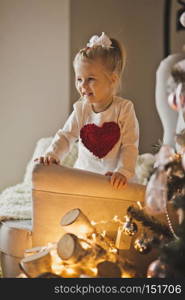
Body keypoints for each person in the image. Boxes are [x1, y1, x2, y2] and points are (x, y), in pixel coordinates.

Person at [35, 32, 139, 189]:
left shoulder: (124, 109)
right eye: (79, 79)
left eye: (90, 79)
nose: (82, 86)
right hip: (85, 179)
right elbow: (66, 135)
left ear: (112, 79)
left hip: (115, 181)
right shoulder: (81, 109)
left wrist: (123, 171)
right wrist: (52, 155)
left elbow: (129, 145)